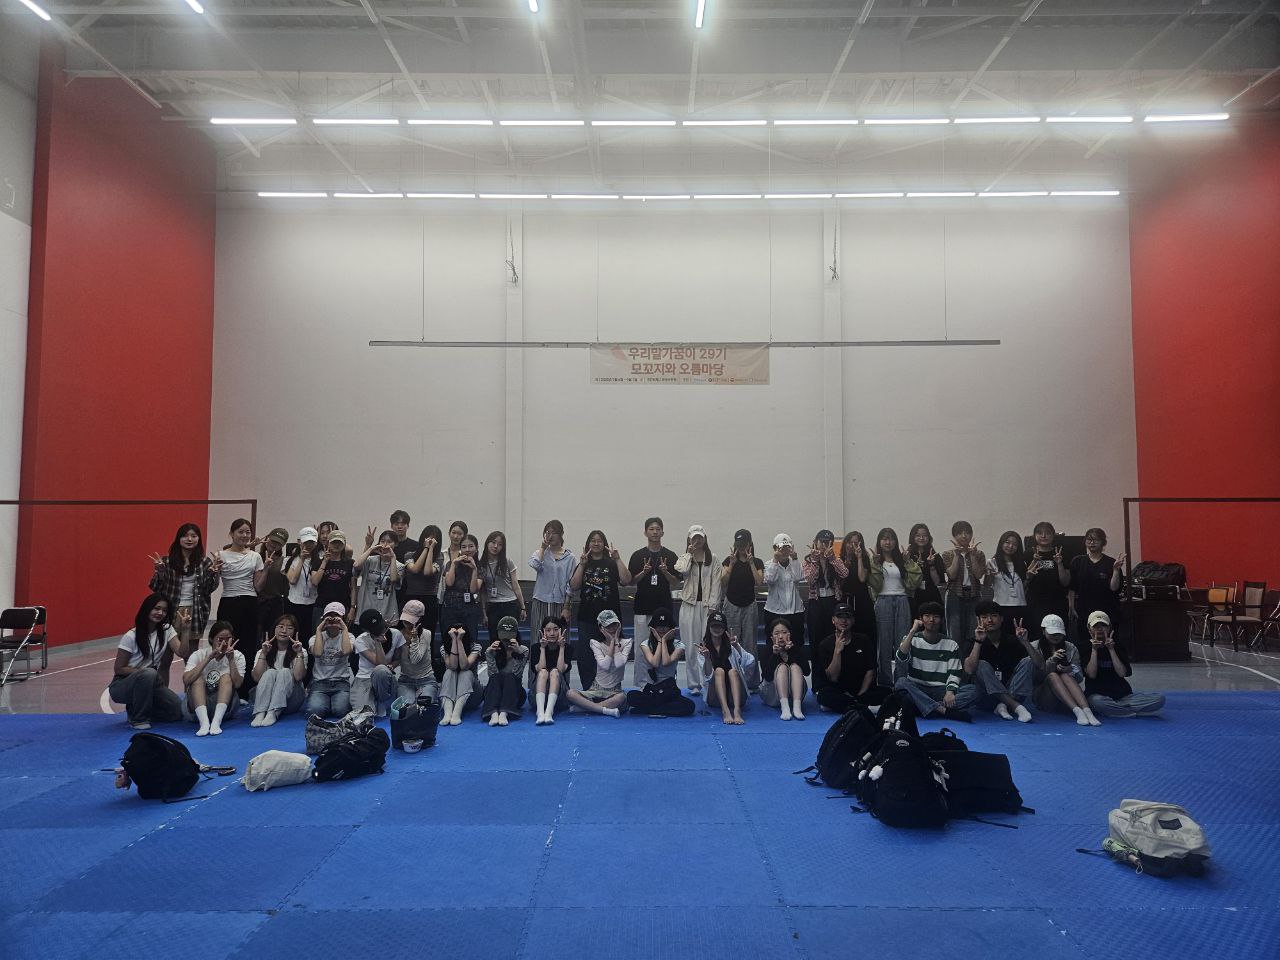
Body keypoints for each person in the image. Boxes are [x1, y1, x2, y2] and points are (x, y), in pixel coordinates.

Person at [109, 594, 188, 729]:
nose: (160, 613)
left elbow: (182, 653)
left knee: (178, 712)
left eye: (164, 610)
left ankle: (137, 708)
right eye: (157, 608)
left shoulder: (167, 630)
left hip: (150, 681)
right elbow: (119, 669)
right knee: (149, 673)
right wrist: (146, 673)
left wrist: (185, 630)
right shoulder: (131, 636)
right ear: (147, 608)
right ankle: (138, 719)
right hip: (122, 684)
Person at [892, 602, 977, 721]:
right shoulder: (912, 639)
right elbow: (901, 656)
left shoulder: (951, 644)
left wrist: (950, 692)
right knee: (901, 682)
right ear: (921, 619)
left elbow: (954, 672)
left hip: (940, 690)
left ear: (941, 620)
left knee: (974, 691)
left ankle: (925, 707)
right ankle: (941, 710)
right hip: (918, 688)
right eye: (927, 616)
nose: (931, 620)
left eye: (936, 616)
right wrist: (913, 630)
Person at [569, 530, 631, 690]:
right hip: (587, 617)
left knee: (613, 652)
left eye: (599, 541)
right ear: (588, 544)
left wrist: (617, 559)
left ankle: (611, 688)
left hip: (610, 620)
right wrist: (582, 565)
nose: (596, 543)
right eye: (593, 540)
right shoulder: (583, 563)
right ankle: (588, 689)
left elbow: (626, 580)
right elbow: (574, 586)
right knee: (586, 655)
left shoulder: (611, 563)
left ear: (604, 544)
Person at [961, 600, 1039, 722]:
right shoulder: (972, 641)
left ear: (1001, 618)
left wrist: (1025, 642)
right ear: (978, 620)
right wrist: (978, 641)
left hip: (1013, 691)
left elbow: (1039, 665)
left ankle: (1003, 705)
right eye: (984, 617)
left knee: (1028, 661)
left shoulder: (1012, 640)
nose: (989, 620)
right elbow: (969, 670)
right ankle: (1015, 706)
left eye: (994, 616)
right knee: (981, 665)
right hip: (987, 697)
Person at [1081, 611, 1164, 718]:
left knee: (1160, 699)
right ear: (1089, 629)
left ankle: (1117, 710)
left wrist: (1111, 650)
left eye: (1103, 625)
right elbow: (1091, 674)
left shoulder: (1118, 646)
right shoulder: (1084, 647)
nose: (1100, 629)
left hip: (1123, 695)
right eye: (1096, 626)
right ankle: (1128, 711)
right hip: (1098, 695)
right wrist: (1094, 650)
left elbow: (1122, 673)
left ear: (1110, 628)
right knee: (1096, 702)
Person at [214, 518, 267, 684]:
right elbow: (215, 585)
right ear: (231, 533)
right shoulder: (220, 555)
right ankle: (223, 683)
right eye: (240, 532)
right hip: (228, 603)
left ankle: (245, 686)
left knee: (249, 644)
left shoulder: (255, 556)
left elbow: (258, 587)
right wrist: (215, 571)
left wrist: (266, 569)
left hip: (249, 603)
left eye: (248, 532)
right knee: (225, 643)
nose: (244, 535)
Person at [867, 527, 920, 686]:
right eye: (884, 538)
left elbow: (915, 581)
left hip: (902, 600)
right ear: (879, 541)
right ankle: (884, 682)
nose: (887, 542)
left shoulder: (902, 560)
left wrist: (908, 561)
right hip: (883, 601)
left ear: (895, 541)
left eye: (891, 538)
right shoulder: (874, 560)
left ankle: (901, 680)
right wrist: (875, 564)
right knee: (883, 643)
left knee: (902, 642)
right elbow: (874, 583)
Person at [147, 523, 219, 641]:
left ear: (199, 539)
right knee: (167, 647)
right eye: (185, 536)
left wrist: (214, 573)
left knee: (191, 649)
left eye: (194, 536)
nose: (189, 539)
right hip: (171, 608)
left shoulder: (205, 562)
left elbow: (208, 590)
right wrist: (160, 573)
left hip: (195, 609)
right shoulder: (167, 561)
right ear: (178, 539)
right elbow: (155, 587)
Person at [813, 603, 889, 712]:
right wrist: (837, 651)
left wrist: (861, 694)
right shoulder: (825, 644)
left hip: (860, 688)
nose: (844, 621)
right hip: (838, 689)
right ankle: (862, 706)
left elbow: (870, 671)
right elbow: (833, 677)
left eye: (847, 617)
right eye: (840, 617)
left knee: (888, 693)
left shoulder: (864, 640)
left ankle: (850, 704)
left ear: (853, 620)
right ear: (833, 620)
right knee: (823, 695)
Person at [628, 517, 681, 672]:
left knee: (665, 646)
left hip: (664, 608)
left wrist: (665, 572)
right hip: (642, 608)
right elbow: (631, 581)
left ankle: (666, 679)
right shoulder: (637, 555)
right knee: (642, 646)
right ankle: (641, 681)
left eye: (658, 529)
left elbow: (675, 583)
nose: (655, 532)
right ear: (645, 532)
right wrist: (643, 572)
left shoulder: (671, 555)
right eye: (651, 529)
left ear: (662, 532)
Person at [626, 607, 694, 717]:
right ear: (653, 628)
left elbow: (666, 662)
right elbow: (655, 663)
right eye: (659, 626)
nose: (662, 629)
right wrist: (659, 642)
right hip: (651, 690)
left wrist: (663, 641)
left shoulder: (679, 645)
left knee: (689, 706)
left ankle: (651, 709)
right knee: (630, 696)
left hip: (669, 690)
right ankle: (659, 708)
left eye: (665, 626)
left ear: (671, 628)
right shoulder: (645, 644)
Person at [1032, 614, 1099, 726]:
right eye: (1052, 633)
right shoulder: (1034, 647)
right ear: (1043, 631)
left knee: (1065, 675)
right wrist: (1052, 661)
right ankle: (1077, 712)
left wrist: (1070, 669)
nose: (1056, 636)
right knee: (1053, 676)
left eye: (1059, 633)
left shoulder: (1071, 648)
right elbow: (1035, 677)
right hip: (1043, 697)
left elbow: (1079, 678)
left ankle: (1087, 711)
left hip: (1067, 695)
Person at [675, 524, 719, 695]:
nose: (698, 541)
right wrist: (689, 554)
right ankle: (694, 684)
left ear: (705, 538)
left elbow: (716, 584)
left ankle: (707, 681)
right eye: (694, 538)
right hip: (689, 606)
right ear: (689, 540)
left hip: (707, 607)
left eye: (700, 537)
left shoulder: (713, 559)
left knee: (707, 644)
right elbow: (682, 570)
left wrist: (713, 607)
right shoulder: (684, 558)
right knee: (691, 645)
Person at [183, 620, 245, 736]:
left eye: (228, 639)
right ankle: (204, 723)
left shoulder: (237, 656)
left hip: (225, 708)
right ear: (211, 639)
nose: (224, 643)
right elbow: (186, 680)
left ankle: (216, 722)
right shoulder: (198, 654)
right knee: (197, 678)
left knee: (226, 677)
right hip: (197, 706)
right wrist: (208, 658)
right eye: (220, 639)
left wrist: (231, 660)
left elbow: (237, 684)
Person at [565, 610, 630, 718]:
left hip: (615, 691)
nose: (612, 628)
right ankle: (605, 710)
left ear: (619, 625)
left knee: (621, 698)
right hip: (595, 689)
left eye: (615, 625)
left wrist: (615, 642)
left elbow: (619, 663)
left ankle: (585, 708)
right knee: (570, 693)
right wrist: (611, 642)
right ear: (601, 628)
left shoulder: (626, 642)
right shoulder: (595, 643)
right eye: (608, 626)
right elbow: (605, 665)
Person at [1069, 529, 1126, 648]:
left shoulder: (1111, 562)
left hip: (1108, 610)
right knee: (1085, 644)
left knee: (1109, 643)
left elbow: (1114, 588)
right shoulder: (1077, 561)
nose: (1092, 542)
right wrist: (1071, 607)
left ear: (1103, 542)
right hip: (1084, 610)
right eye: (1089, 539)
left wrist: (1116, 570)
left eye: (1096, 540)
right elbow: (1072, 587)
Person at [249, 613, 308, 727]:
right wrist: (263, 653)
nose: (284, 630)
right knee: (270, 672)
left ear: (295, 632)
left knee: (285, 672)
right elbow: (257, 678)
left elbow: (298, 677)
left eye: (289, 628)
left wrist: (299, 653)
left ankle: (273, 712)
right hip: (266, 700)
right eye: (280, 626)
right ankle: (260, 713)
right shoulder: (263, 650)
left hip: (291, 700)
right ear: (274, 629)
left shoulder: (301, 651)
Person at [700, 610, 756, 725]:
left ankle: (737, 710)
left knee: (733, 672)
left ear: (724, 628)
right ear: (709, 627)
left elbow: (750, 662)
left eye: (720, 626)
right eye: (714, 626)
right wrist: (707, 658)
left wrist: (737, 646)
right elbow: (707, 677)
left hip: (735, 695)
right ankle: (725, 710)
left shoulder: (732, 645)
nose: (717, 629)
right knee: (719, 671)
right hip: (715, 698)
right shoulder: (703, 648)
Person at [802, 530, 848, 665]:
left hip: (833, 601)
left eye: (827, 542)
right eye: (821, 541)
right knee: (815, 638)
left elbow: (845, 574)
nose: (824, 545)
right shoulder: (808, 561)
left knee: (832, 637)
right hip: (816, 602)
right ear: (815, 542)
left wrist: (832, 559)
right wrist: (815, 561)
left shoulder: (835, 559)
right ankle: (818, 672)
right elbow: (810, 580)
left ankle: (833, 669)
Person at [940, 521, 986, 650]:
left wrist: (972, 555)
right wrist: (956, 555)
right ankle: (955, 660)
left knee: (974, 631)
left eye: (967, 533)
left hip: (974, 594)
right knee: (954, 631)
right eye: (960, 533)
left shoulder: (979, 554)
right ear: (954, 536)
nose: (964, 536)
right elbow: (952, 575)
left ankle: (971, 660)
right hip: (954, 595)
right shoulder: (947, 554)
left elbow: (978, 575)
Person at [351, 609, 405, 718]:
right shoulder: (360, 640)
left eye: (380, 624)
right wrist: (378, 642)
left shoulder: (396, 634)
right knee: (364, 714)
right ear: (366, 630)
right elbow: (379, 662)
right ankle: (372, 701)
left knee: (381, 670)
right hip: (364, 678)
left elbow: (397, 659)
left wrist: (392, 665)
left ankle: (382, 701)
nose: (380, 629)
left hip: (384, 677)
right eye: (376, 629)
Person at [304, 602, 354, 718]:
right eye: (329, 616)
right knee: (315, 712)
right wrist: (318, 630)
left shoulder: (349, 636)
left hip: (341, 683)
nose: (332, 619)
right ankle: (325, 703)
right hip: (319, 683)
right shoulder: (315, 638)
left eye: (337, 616)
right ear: (323, 618)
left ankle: (330, 703)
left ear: (342, 618)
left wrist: (344, 628)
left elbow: (346, 651)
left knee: (341, 711)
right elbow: (317, 653)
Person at [762, 533, 805, 668]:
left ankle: (796, 671)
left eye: (787, 547)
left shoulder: (795, 563)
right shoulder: (769, 564)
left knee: (796, 644)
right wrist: (776, 560)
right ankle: (773, 673)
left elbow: (799, 578)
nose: (784, 550)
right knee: (773, 645)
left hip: (795, 611)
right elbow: (770, 579)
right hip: (774, 611)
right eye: (781, 547)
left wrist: (795, 558)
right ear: (775, 548)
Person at [720, 529, 764, 652]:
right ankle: (732, 665)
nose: (741, 547)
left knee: (750, 643)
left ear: (750, 544)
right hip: (731, 604)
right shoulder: (728, 560)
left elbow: (759, 582)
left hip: (749, 605)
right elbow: (723, 582)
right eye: (739, 545)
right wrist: (732, 564)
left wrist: (751, 563)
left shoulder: (757, 562)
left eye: (744, 544)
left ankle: (749, 665)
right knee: (731, 641)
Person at [529, 519, 577, 632]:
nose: (550, 536)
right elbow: (535, 565)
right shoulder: (539, 553)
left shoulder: (570, 557)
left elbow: (570, 585)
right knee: (539, 635)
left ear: (561, 534)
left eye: (554, 532)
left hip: (560, 603)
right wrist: (543, 547)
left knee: (560, 635)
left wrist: (567, 607)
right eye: (548, 532)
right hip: (541, 601)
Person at [480, 530, 528, 642]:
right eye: (493, 542)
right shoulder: (481, 564)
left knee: (511, 639)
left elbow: (515, 585)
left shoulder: (507, 561)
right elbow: (482, 591)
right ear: (487, 543)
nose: (496, 546)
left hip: (510, 604)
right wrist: (484, 613)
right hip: (492, 606)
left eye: (500, 544)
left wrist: (523, 607)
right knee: (494, 639)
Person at [758, 617, 809, 721]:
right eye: (776, 633)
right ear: (772, 637)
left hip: (795, 695)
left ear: (790, 634)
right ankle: (785, 708)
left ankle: (797, 708)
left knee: (795, 666)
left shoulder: (796, 648)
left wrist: (793, 651)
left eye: (784, 632)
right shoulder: (767, 650)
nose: (781, 636)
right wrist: (775, 655)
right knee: (782, 667)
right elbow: (767, 677)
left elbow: (807, 671)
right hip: (773, 694)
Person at [1025, 521, 1070, 637]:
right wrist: (1034, 561)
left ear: (1053, 535)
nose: (1043, 536)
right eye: (1039, 533)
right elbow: (1025, 580)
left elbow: (1065, 582)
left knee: (1058, 634)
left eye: (1048, 533)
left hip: (1057, 601)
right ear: (1034, 535)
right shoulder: (1028, 554)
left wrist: (1059, 563)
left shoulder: (1061, 553)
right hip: (1035, 602)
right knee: (1036, 634)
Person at [482, 616, 529, 726]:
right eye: (504, 639)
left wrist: (517, 653)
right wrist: (489, 654)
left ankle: (504, 712)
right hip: (495, 692)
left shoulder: (523, 650)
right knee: (496, 677)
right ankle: (493, 713)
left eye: (509, 639)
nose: (506, 642)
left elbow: (517, 674)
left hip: (514, 692)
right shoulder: (493, 649)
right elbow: (492, 675)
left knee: (510, 676)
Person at [440, 533, 484, 646]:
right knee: (449, 641)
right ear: (460, 549)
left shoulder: (480, 566)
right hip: (450, 606)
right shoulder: (451, 563)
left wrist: (474, 569)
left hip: (469, 607)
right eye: (464, 547)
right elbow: (449, 583)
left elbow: (473, 590)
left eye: (471, 546)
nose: (467, 550)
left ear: (476, 548)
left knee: (470, 641)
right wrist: (454, 564)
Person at [399, 525, 443, 635]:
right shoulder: (409, 555)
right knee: (410, 633)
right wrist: (426, 549)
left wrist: (430, 549)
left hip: (429, 599)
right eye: (428, 538)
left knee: (427, 634)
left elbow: (427, 572)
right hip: (411, 597)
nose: (430, 541)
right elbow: (415, 569)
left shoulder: (439, 557)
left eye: (433, 539)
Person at [395, 599, 440, 706]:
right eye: (405, 619)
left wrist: (414, 638)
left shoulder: (426, 634)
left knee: (424, 706)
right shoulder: (397, 634)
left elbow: (415, 659)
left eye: (411, 620)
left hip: (426, 680)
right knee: (407, 707)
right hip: (405, 680)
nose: (407, 623)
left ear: (420, 620)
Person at [354, 529, 405, 623]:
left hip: (387, 612)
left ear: (396, 544)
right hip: (366, 609)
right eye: (382, 541)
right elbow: (356, 565)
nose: (385, 545)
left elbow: (393, 579)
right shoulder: (370, 560)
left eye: (389, 542)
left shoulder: (399, 566)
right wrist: (370, 548)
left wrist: (393, 557)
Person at [310, 529, 356, 628]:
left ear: (344, 544)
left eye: (339, 542)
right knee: (319, 634)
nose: (336, 545)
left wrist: (352, 608)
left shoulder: (350, 563)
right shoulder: (318, 562)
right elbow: (315, 582)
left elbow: (353, 587)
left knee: (344, 634)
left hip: (343, 605)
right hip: (322, 606)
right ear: (328, 543)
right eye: (334, 542)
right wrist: (325, 562)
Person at [987, 531, 1028, 641]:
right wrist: (990, 575)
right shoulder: (992, 562)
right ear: (1001, 543)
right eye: (1007, 542)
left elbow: (1023, 586)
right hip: (1001, 606)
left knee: (1020, 639)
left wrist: (1029, 577)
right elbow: (987, 584)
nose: (1010, 546)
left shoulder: (1022, 563)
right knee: (1003, 639)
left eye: (1014, 544)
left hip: (1020, 606)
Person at [532, 615, 573, 724]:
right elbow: (540, 669)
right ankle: (540, 712)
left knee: (554, 671)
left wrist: (562, 648)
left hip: (559, 697)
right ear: (543, 631)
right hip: (537, 696)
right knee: (543, 672)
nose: (552, 633)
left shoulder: (567, 648)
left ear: (560, 631)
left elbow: (560, 669)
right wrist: (542, 648)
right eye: (548, 630)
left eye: (555, 630)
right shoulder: (536, 648)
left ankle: (549, 712)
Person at [438, 622, 481, 725]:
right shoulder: (444, 648)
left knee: (465, 673)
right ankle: (448, 713)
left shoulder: (476, 646)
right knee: (449, 671)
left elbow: (464, 666)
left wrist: (459, 640)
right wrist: (454, 640)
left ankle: (457, 712)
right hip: (450, 693)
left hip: (471, 695)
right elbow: (453, 666)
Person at [837, 531, 876, 642]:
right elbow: (838, 584)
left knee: (864, 631)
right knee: (846, 633)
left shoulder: (864, 559)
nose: (851, 546)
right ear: (845, 543)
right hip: (845, 600)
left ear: (860, 544)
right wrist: (845, 566)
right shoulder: (839, 560)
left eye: (855, 543)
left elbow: (862, 578)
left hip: (861, 600)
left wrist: (859, 558)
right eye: (849, 542)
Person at [255, 527, 291, 643]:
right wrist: (250, 546)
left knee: (272, 638)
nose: (274, 544)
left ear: (283, 545)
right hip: (255, 602)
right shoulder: (254, 557)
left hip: (275, 605)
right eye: (272, 540)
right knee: (255, 637)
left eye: (278, 543)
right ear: (267, 538)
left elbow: (287, 586)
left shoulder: (284, 561)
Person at [904, 522, 946, 619]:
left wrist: (931, 565)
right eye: (918, 535)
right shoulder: (907, 556)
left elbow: (937, 582)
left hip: (931, 595)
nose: (921, 538)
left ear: (929, 537)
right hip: (914, 595)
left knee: (934, 622)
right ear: (912, 537)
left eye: (925, 535)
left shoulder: (935, 556)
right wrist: (909, 562)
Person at [283, 526, 320, 632]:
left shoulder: (320, 560)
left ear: (316, 543)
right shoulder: (289, 560)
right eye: (306, 542)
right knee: (294, 632)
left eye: (311, 542)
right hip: (293, 602)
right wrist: (302, 559)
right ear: (299, 542)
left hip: (313, 603)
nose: (308, 545)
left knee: (309, 633)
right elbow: (292, 580)